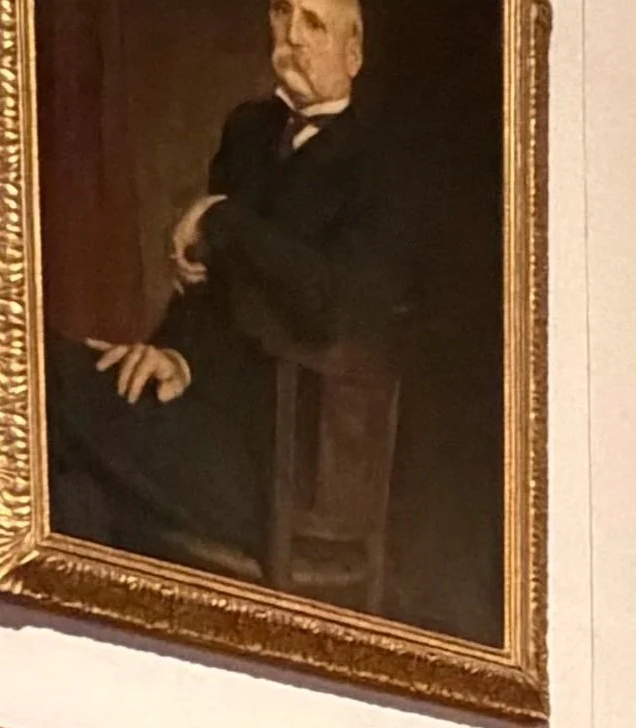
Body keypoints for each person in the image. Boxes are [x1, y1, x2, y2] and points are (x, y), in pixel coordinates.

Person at [44, 0, 408, 576]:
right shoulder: (249, 131)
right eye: (282, 13)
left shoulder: (381, 159)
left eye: (314, 23)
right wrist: (171, 353)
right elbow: (210, 291)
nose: (291, 35)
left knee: (45, 385)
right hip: (196, 421)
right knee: (66, 479)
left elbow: (330, 306)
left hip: (282, 466)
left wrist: (221, 216)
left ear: (354, 53)